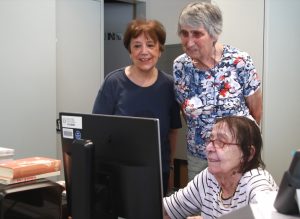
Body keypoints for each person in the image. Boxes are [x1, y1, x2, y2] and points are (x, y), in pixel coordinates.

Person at [174, 2, 263, 180]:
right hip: (199, 156)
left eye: (197, 34)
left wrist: (239, 143)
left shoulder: (239, 61)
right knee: (201, 206)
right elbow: (185, 111)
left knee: (238, 206)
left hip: (237, 156)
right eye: (184, 33)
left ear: (214, 34)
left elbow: (256, 111)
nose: (189, 41)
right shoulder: (180, 66)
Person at [92, 19, 182, 196]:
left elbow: (172, 132)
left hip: (157, 173)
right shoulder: (113, 83)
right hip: (117, 174)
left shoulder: (169, 85)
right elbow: (97, 130)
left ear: (160, 49)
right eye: (137, 46)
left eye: (150, 45)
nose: (144, 52)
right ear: (130, 51)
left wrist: (169, 168)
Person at [163, 116, 278, 219]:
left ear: (248, 153)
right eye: (211, 140)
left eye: (221, 141)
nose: (209, 148)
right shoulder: (209, 177)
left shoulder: (257, 182)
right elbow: (169, 210)